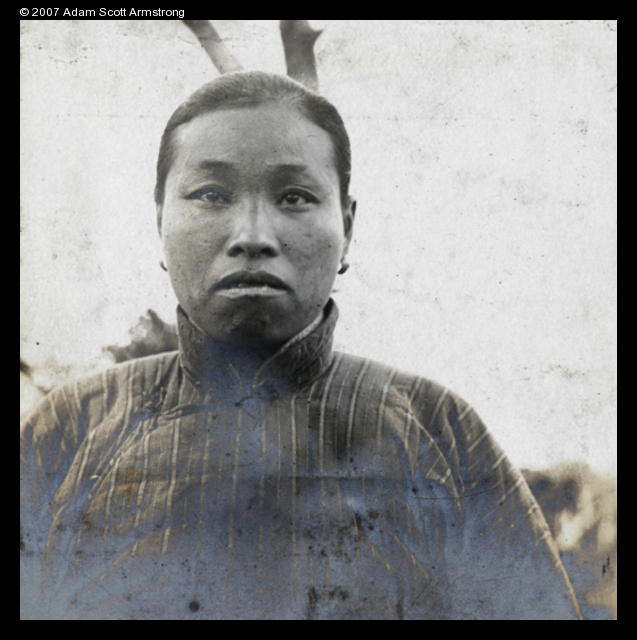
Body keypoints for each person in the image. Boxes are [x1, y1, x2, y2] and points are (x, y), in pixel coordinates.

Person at [20, 71, 582, 620]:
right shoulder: (70, 431)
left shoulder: (437, 430)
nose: (252, 236)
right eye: (211, 195)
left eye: (294, 197)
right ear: (161, 220)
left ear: (347, 228)